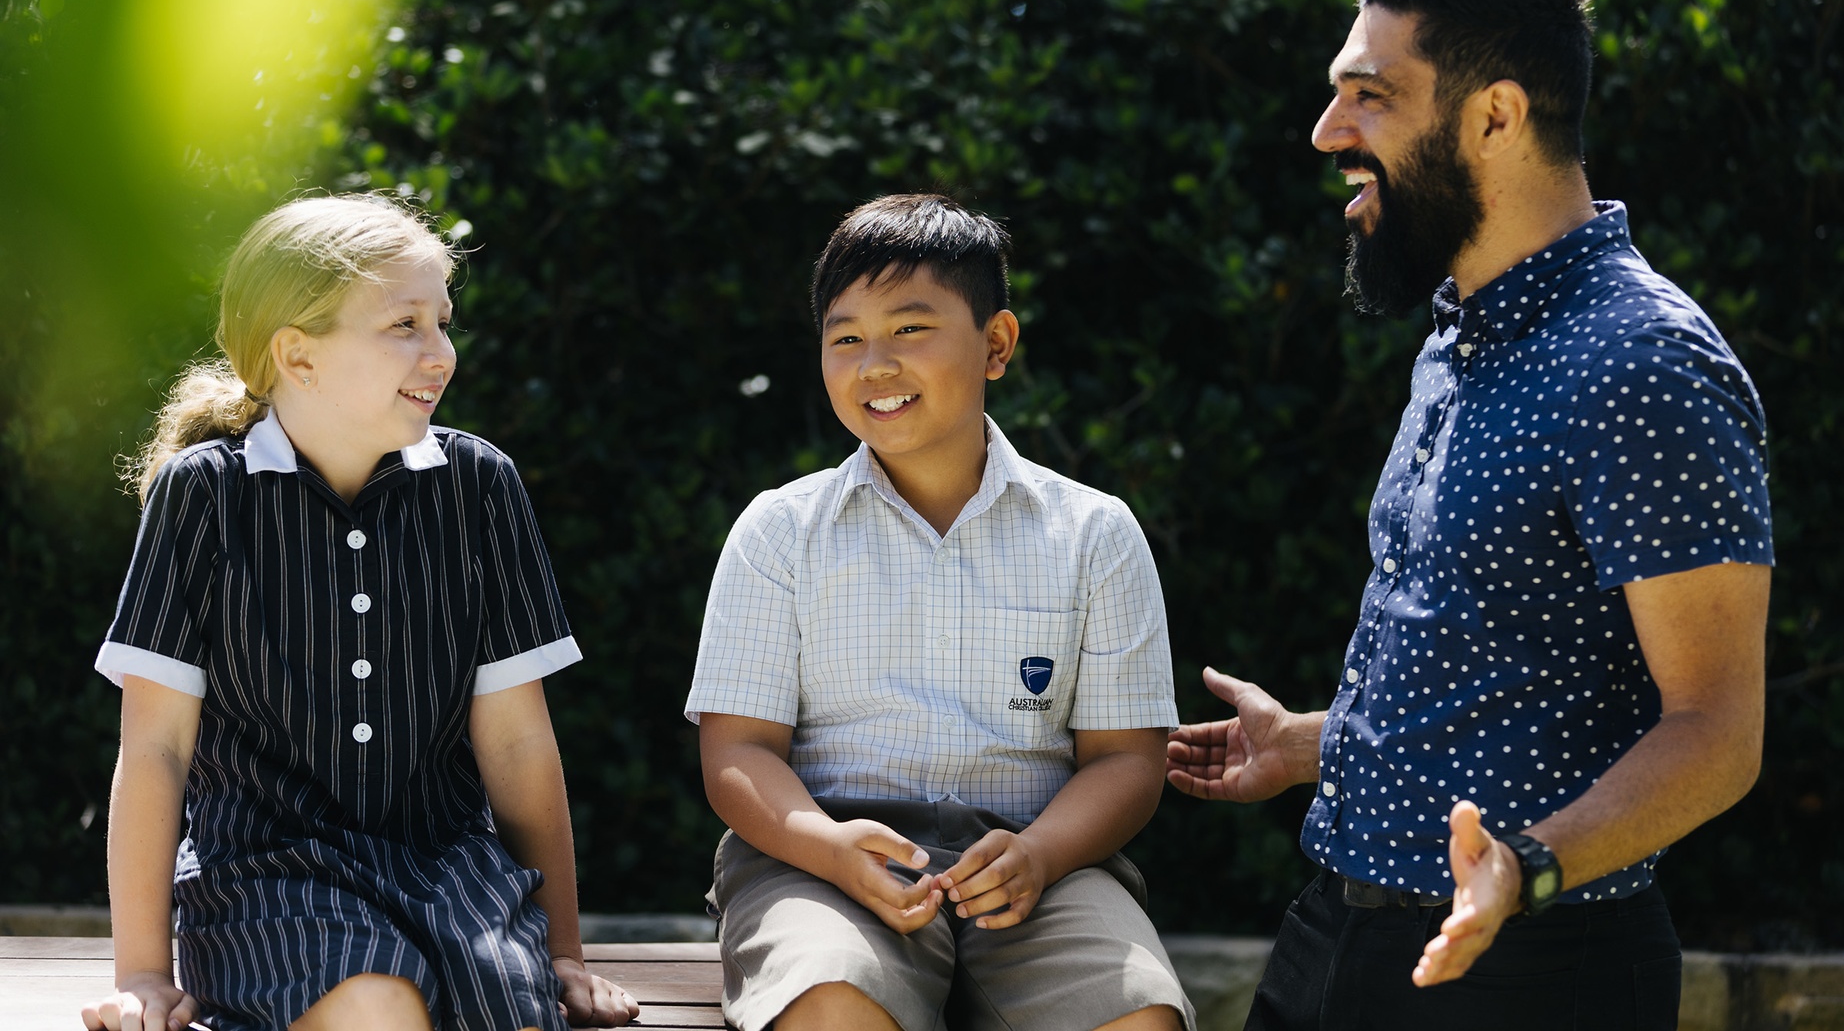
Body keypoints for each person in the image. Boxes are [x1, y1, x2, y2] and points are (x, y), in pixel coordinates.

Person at [1166, 0, 1773, 1029]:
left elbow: (1716, 730)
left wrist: (1526, 866)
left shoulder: (1645, 363)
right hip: (1337, 935)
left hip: (1532, 965)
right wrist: (1317, 741)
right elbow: (1503, 651)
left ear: (1496, 115)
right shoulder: (1461, 332)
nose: (1326, 132)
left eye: (1370, 97)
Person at [83, 195, 637, 1031]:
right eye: (404, 325)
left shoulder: (480, 486)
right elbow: (155, 750)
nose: (441, 352)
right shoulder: (202, 495)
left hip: (450, 870)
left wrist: (563, 956)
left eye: (443, 321)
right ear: (297, 356)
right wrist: (143, 973)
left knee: (510, 1015)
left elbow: (519, 743)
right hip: (263, 875)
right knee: (374, 1007)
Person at [686, 193, 1197, 1031]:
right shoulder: (780, 532)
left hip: (1042, 864)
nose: (874, 364)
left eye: (910, 329)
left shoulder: (1093, 533)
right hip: (819, 859)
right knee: (832, 1003)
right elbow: (736, 752)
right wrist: (828, 848)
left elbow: (1127, 762)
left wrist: (1040, 853)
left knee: (1137, 1019)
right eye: (845, 338)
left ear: (996, 344)